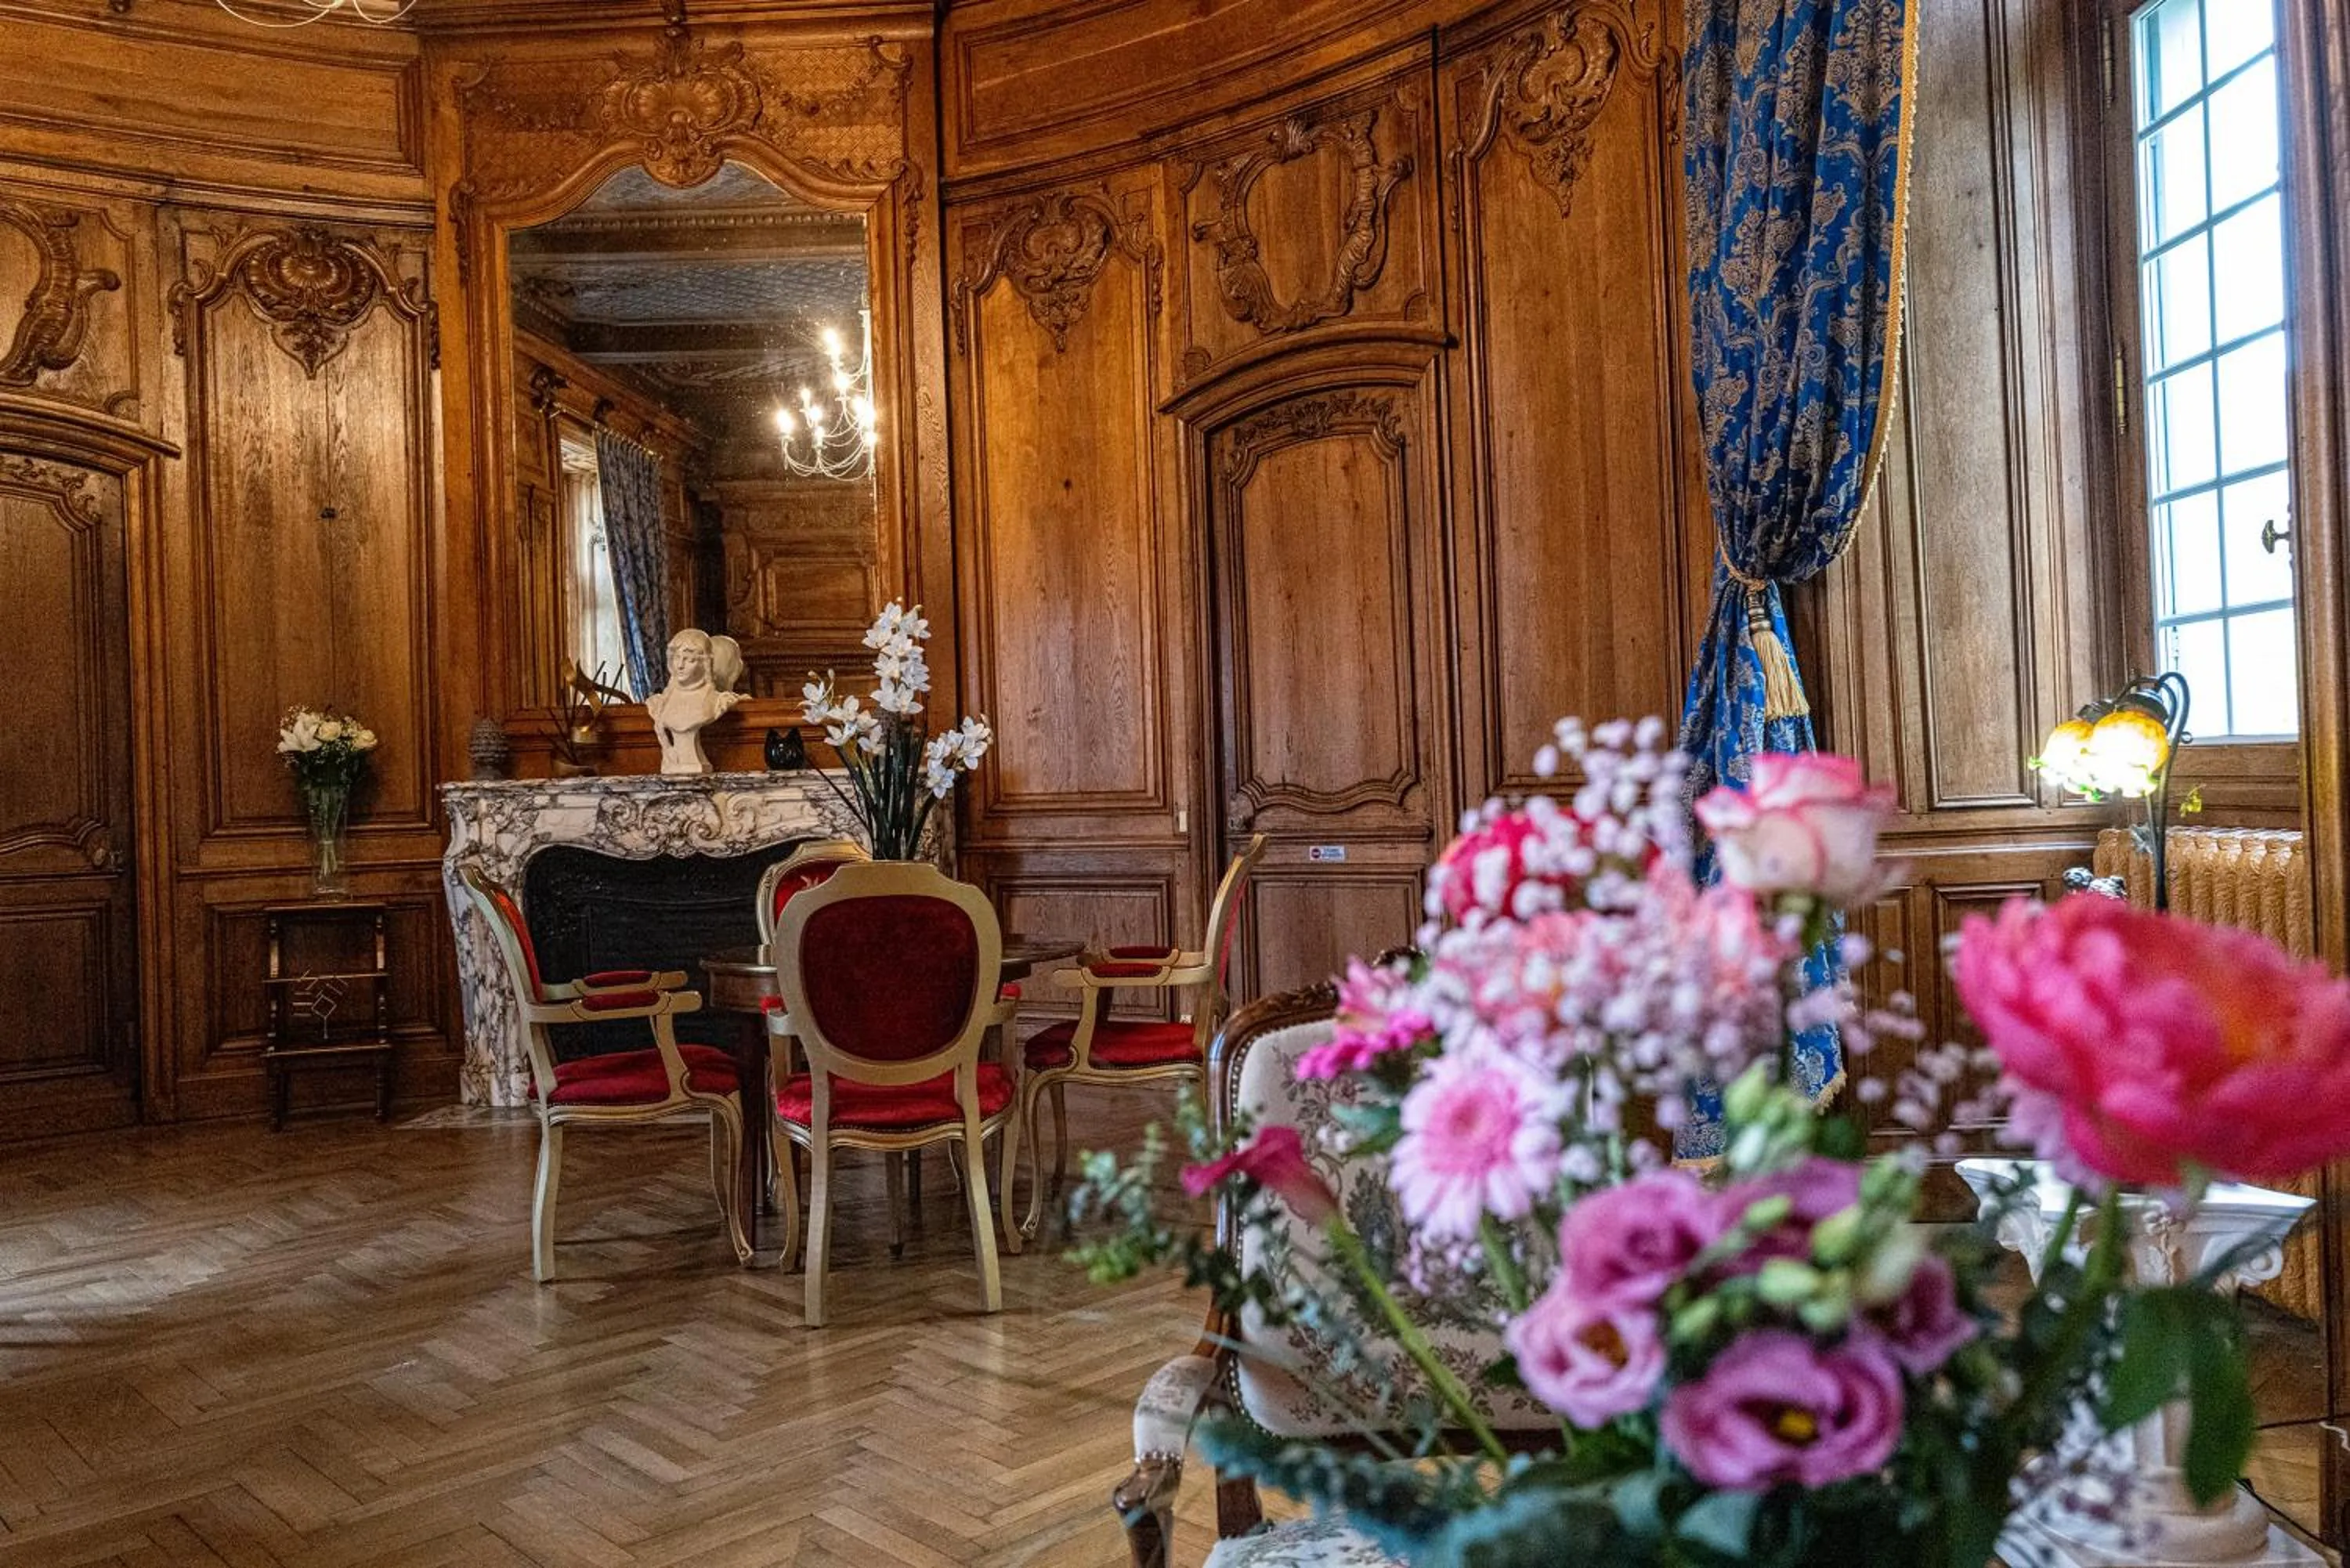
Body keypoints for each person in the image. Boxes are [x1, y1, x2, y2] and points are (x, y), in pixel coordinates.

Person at [645, 628, 743, 775]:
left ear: (704, 664)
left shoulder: (718, 701)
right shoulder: (658, 703)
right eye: (677, 658)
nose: (680, 666)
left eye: (689, 659)